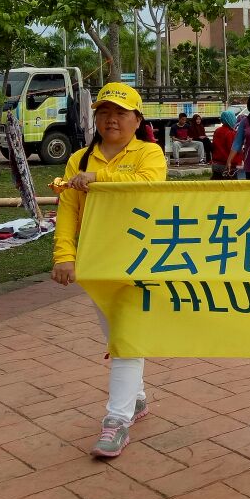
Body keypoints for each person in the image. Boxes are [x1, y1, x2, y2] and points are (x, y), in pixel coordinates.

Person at [51, 83, 167, 458]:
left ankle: (116, 421)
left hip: (140, 259)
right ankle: (136, 399)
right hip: (97, 262)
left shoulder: (150, 153)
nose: (111, 119)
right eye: (104, 113)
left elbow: (150, 186)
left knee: (126, 337)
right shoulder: (80, 160)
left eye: (120, 113)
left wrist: (101, 180)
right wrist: (63, 256)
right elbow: (68, 209)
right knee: (117, 334)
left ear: (137, 119)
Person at [210, 110, 239, 179]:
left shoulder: (217, 130)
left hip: (216, 163)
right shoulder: (231, 133)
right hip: (227, 164)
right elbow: (233, 149)